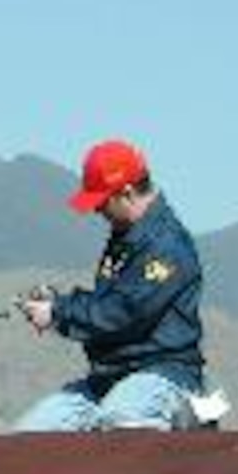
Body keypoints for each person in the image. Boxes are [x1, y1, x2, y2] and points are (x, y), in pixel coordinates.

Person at [14, 139, 205, 432]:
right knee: (30, 435)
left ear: (126, 194)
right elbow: (109, 303)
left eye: (101, 202)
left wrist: (58, 313)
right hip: (108, 378)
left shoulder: (166, 246)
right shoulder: (125, 239)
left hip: (165, 374)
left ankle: (178, 433)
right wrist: (58, 302)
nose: (97, 211)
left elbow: (124, 312)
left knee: (121, 419)